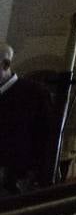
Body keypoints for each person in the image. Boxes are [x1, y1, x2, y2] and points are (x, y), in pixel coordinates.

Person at [0, 44, 55, 193]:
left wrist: (35, 179)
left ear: (5, 64)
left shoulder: (35, 94)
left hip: (16, 185)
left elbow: (46, 139)